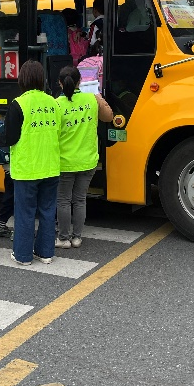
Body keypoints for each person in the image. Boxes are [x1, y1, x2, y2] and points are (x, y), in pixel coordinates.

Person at [0, 61, 60, 265]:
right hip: (51, 166)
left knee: (25, 213)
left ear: (22, 80)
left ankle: (23, 256)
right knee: (47, 211)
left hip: (27, 169)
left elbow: (9, 138)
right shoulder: (54, 103)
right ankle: (45, 253)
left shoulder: (19, 104)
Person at [54, 66, 113, 249]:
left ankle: (63, 239)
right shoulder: (91, 99)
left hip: (65, 162)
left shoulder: (56, 104)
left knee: (63, 200)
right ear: (80, 81)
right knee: (80, 199)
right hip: (88, 161)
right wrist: (99, 97)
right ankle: (77, 237)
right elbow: (108, 117)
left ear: (60, 83)